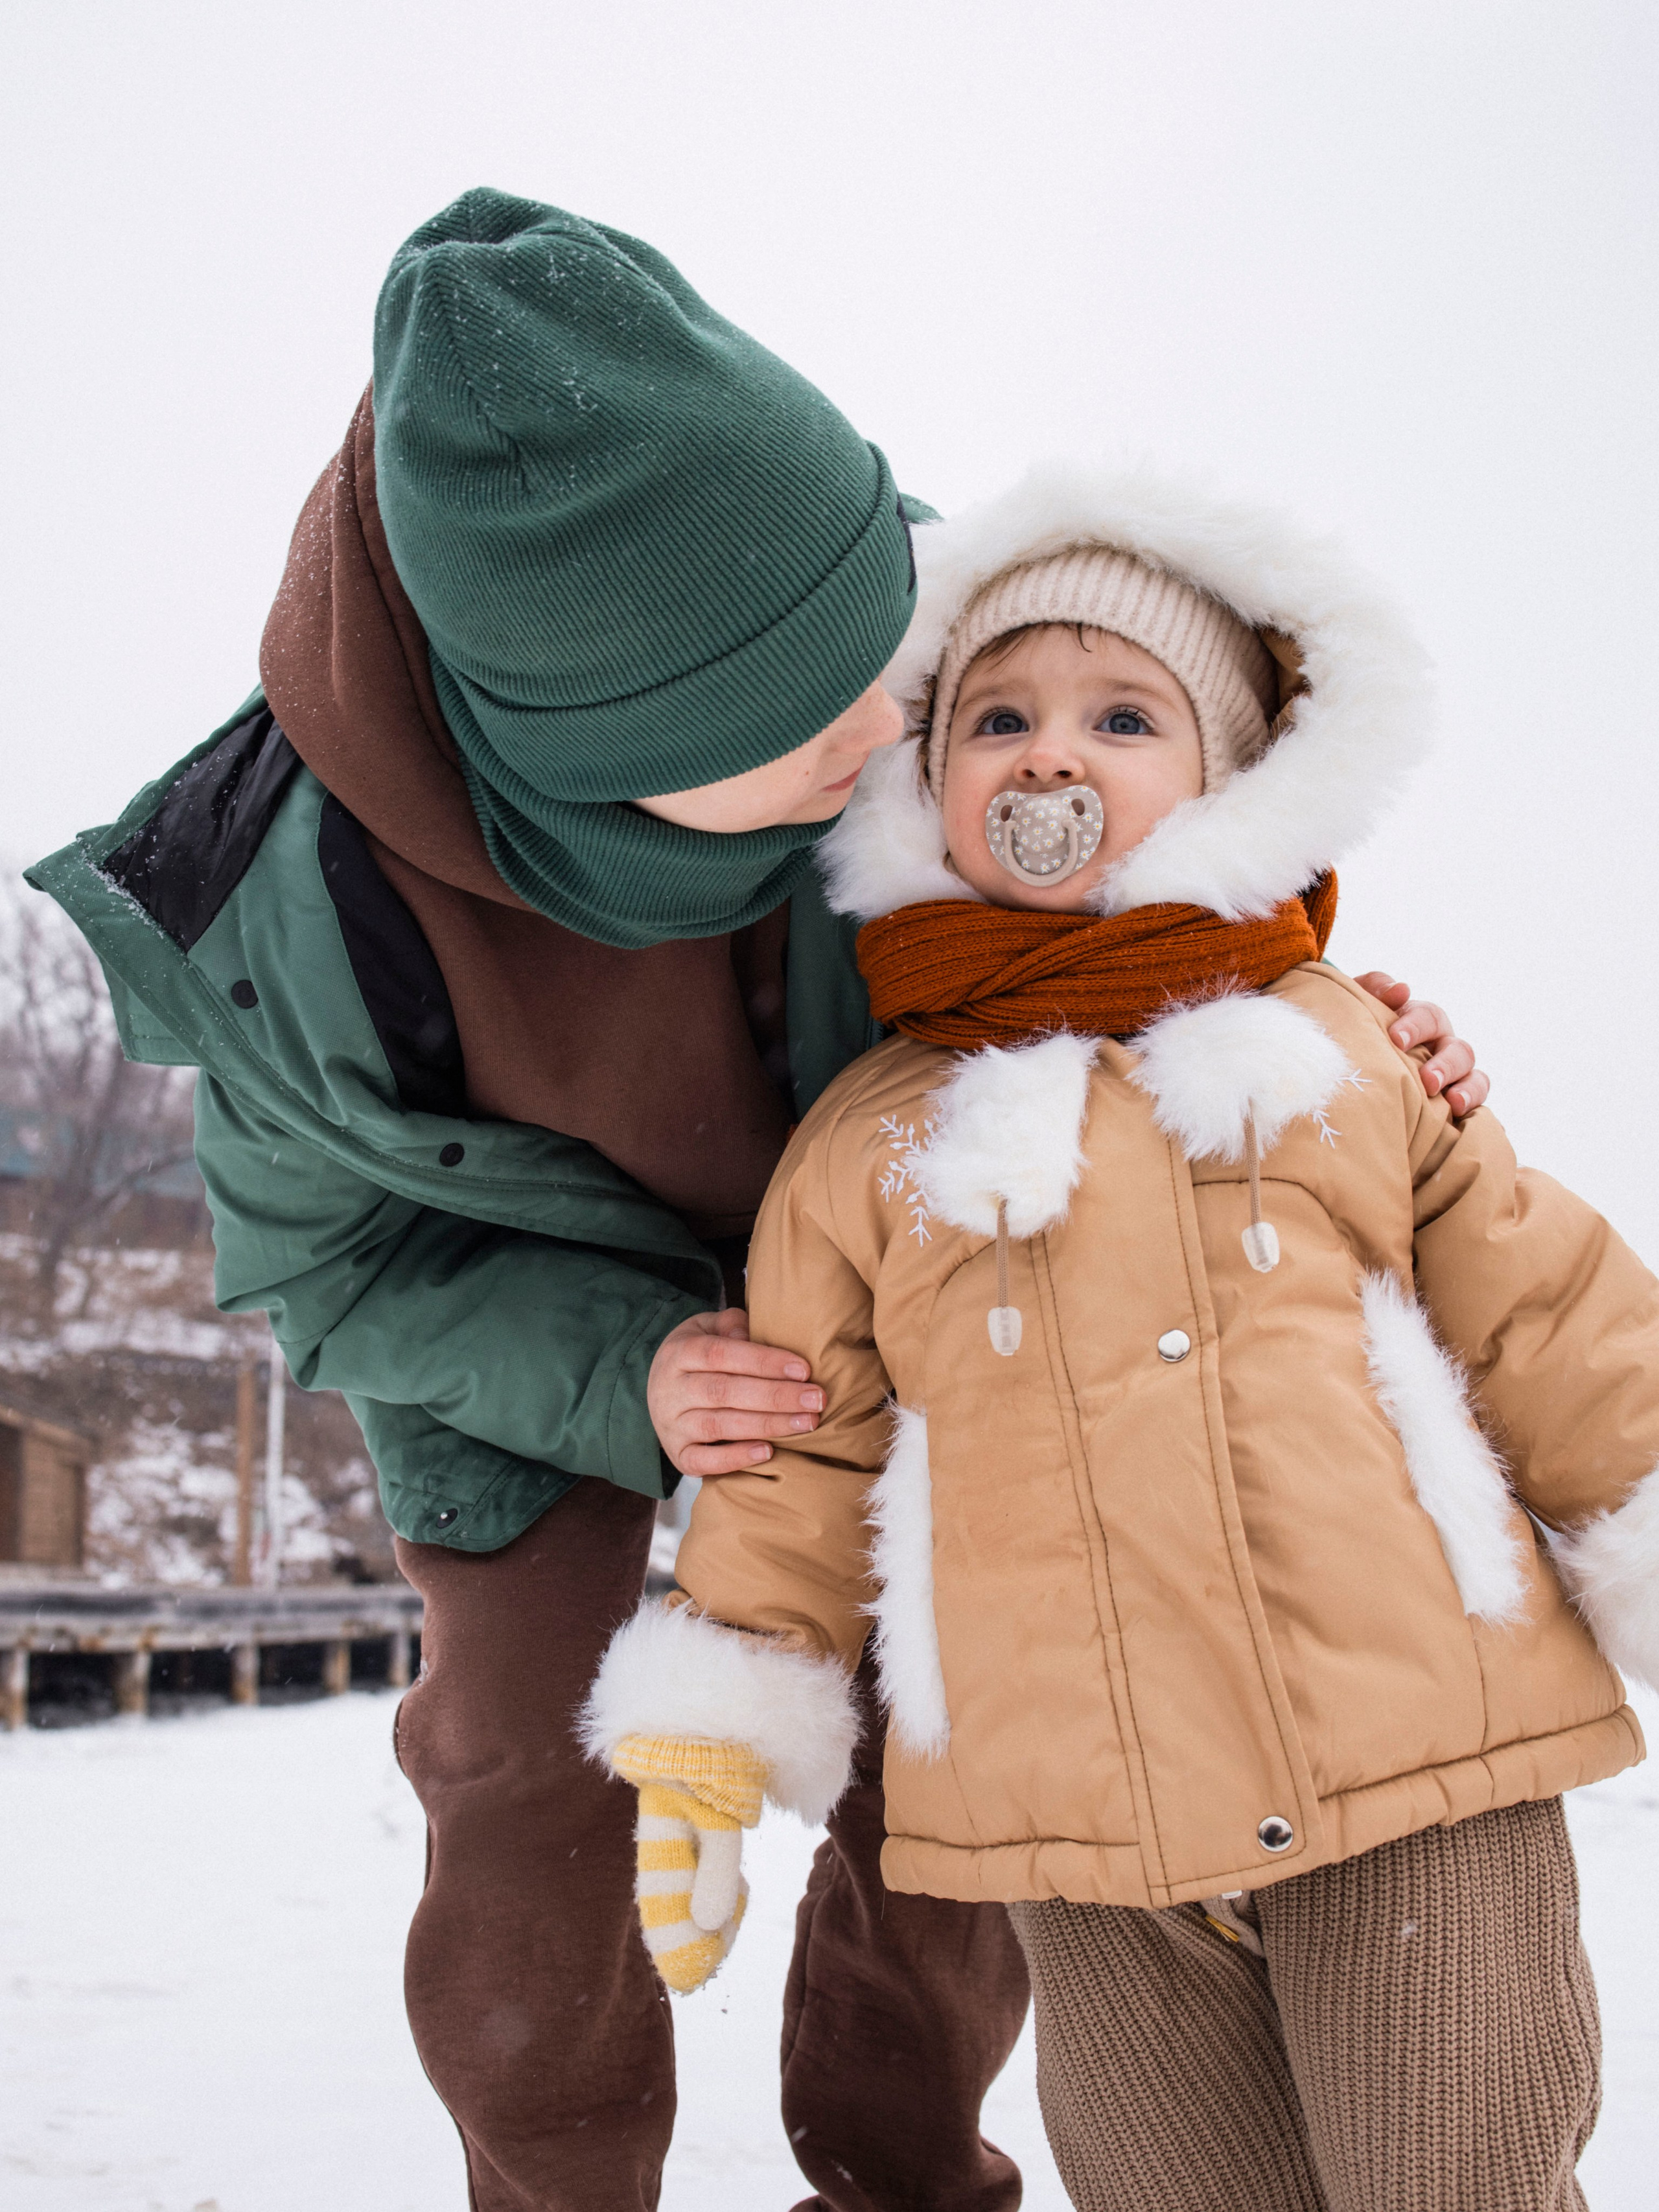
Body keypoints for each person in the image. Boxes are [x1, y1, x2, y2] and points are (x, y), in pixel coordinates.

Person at [30, 192, 1485, 2212]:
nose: (901, 734)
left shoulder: (894, 645)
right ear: (596, 769)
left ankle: (897, 2172)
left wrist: (1303, 1015)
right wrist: (632, 1371)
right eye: (818, 735)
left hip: (907, 1258)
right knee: (520, 1771)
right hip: (525, 1323)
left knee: (973, 1714)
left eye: (894, 662)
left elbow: (1142, 869)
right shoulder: (270, 917)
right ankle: (557, 2185)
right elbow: (326, 1266)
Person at [585, 466, 1657, 2212]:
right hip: (1082, 1845)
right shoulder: (875, 1138)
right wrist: (715, 1718)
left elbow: (1551, 1318)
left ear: (1227, 778)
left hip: (1418, 1772)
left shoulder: (1340, 1053)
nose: (1049, 754)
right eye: (995, 714)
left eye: (1123, 714)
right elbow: (806, 1436)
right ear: (930, 784)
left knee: (1460, 2180)